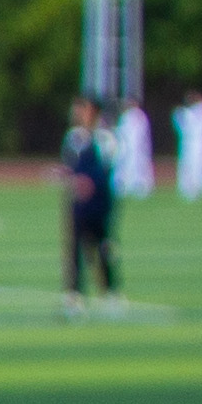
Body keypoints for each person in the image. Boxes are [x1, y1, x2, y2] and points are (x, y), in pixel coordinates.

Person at [60, 94, 123, 317]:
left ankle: (111, 291)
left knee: (104, 247)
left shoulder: (106, 138)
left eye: (83, 108)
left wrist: (91, 183)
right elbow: (69, 167)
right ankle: (75, 294)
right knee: (75, 248)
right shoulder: (73, 138)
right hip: (79, 202)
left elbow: (109, 168)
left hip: (100, 201)